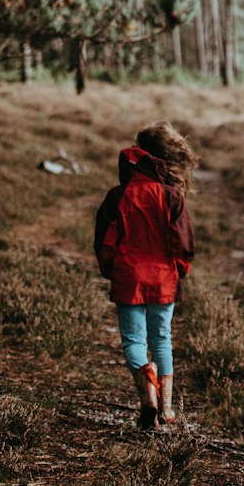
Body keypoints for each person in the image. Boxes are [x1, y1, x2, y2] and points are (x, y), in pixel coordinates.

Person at [94, 121, 196, 430]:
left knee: (133, 341)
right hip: (164, 278)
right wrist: (178, 271)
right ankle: (166, 409)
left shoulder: (118, 195)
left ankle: (147, 398)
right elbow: (184, 243)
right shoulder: (173, 197)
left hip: (129, 277)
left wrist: (113, 270)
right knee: (162, 339)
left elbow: (105, 241)